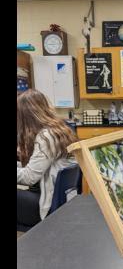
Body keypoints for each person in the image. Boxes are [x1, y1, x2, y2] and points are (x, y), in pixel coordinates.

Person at [17, 89, 78, 231]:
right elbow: (35, 167)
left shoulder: (46, 136)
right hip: (59, 201)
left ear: (27, 115)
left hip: (44, 206)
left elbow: (29, 177)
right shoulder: (60, 129)